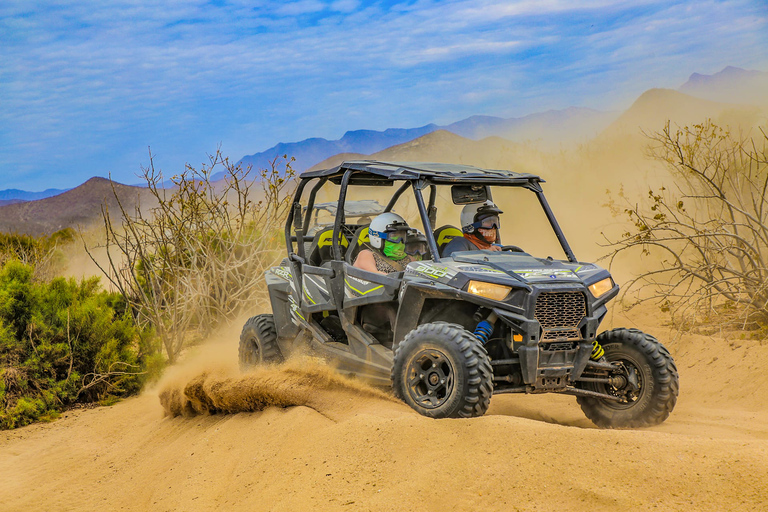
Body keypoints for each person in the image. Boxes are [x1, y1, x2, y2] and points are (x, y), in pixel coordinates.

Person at [354, 213, 421, 274]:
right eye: (394, 236)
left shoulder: (410, 260)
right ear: (377, 238)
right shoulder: (366, 255)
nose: (400, 241)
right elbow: (376, 275)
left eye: (402, 236)